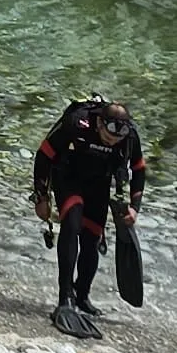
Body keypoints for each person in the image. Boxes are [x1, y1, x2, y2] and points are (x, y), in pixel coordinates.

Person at [32, 95, 147, 339]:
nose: (111, 141)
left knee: (92, 238)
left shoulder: (129, 137)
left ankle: (82, 295)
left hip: (98, 185)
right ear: (99, 123)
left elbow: (138, 170)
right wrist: (41, 197)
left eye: (116, 138)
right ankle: (65, 298)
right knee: (72, 224)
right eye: (108, 135)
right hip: (68, 178)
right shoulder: (77, 123)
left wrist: (134, 207)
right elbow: (44, 155)